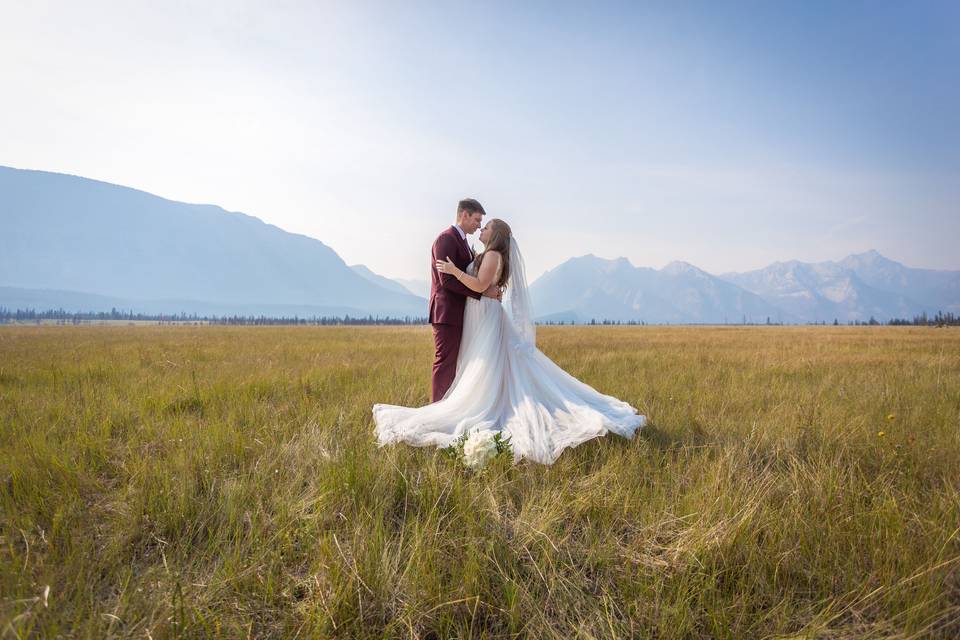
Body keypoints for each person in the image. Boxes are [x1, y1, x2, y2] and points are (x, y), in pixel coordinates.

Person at [373, 218, 646, 465]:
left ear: (496, 235)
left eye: (487, 227)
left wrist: (454, 271)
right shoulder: (486, 253)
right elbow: (485, 286)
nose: (482, 229)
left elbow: (480, 286)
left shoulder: (492, 254)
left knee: (488, 366)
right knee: (481, 364)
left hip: (486, 316)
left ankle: (480, 404)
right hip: (479, 314)